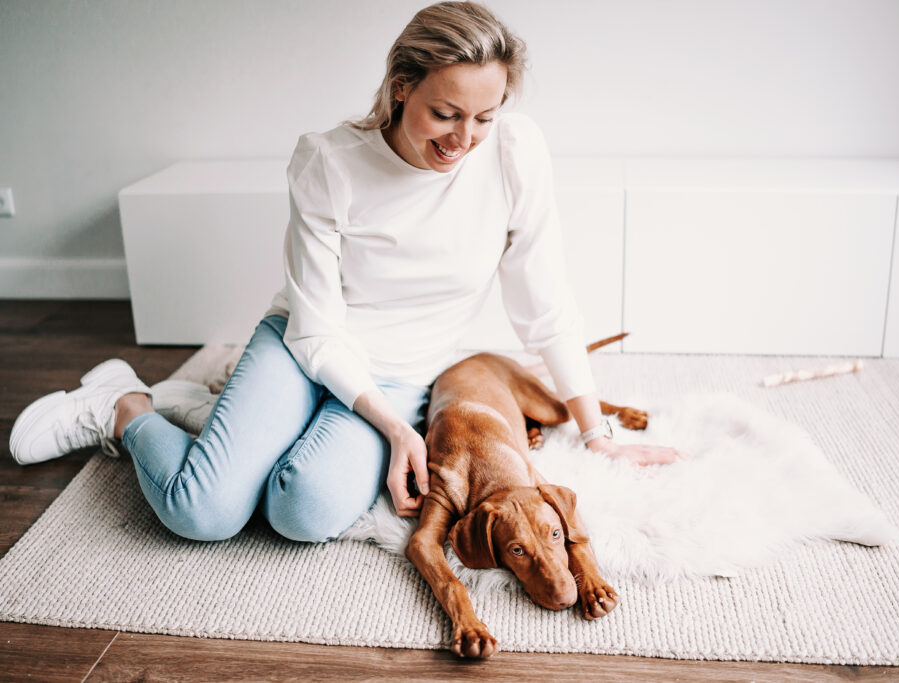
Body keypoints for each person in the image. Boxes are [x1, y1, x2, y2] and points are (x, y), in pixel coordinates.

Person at [9, 1, 680, 543]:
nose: (462, 138)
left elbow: (545, 304)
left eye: (482, 117)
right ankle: (123, 404)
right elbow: (318, 328)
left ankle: (214, 415)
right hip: (304, 345)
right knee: (203, 513)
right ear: (401, 87)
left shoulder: (515, 152)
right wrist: (395, 429)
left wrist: (597, 433)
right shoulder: (328, 161)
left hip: (404, 369)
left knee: (298, 511)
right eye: (443, 113)